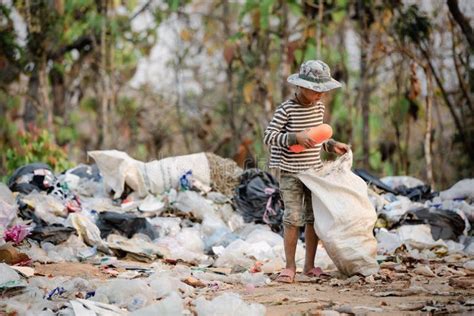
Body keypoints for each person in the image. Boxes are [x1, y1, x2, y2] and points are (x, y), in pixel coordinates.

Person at [263, 60, 350, 283]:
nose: (320, 95)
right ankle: (289, 266)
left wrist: (332, 145)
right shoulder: (286, 109)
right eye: (315, 90)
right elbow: (269, 136)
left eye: (323, 90)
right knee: (293, 218)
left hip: (314, 173)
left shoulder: (319, 108)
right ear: (301, 86)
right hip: (290, 172)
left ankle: (309, 266)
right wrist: (294, 138)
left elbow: (317, 138)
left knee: (313, 219)